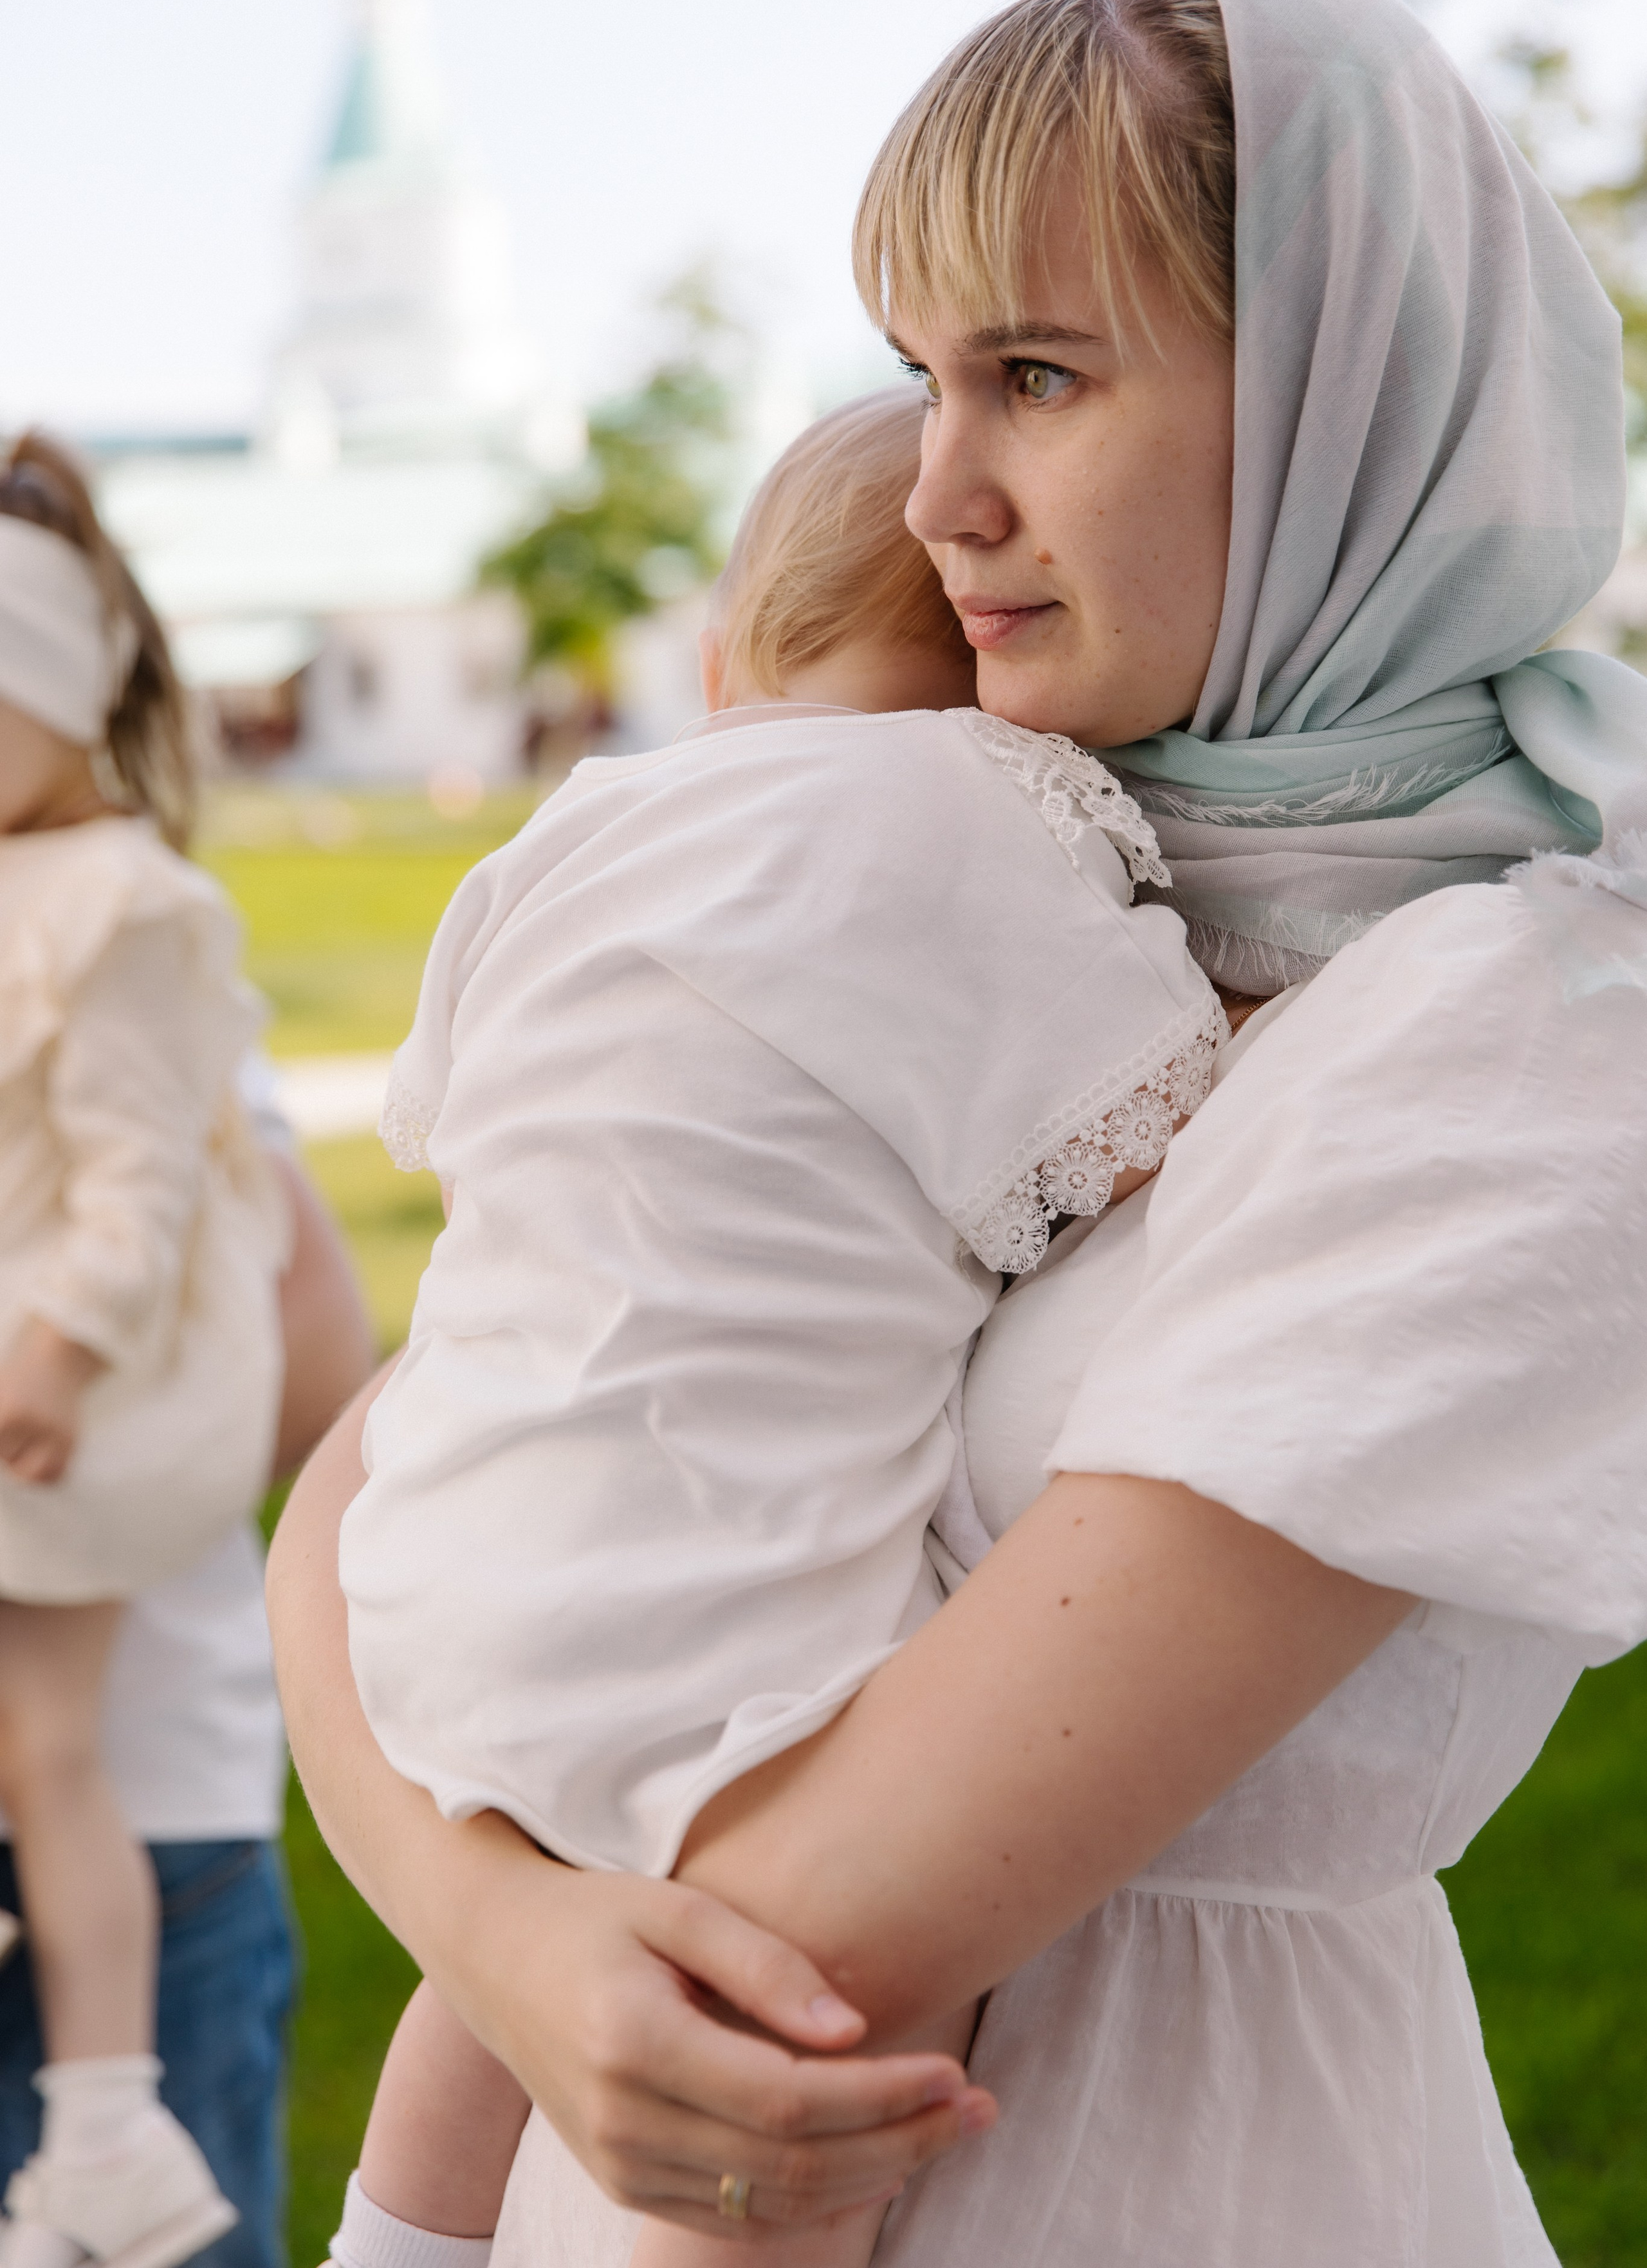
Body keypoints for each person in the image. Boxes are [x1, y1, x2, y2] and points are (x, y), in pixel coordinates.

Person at [267, 0, 1647, 2266]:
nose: (933, 494)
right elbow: (385, 1467)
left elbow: (817, 1943)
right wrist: (509, 1941)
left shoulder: (1530, 1021)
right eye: (919, 379)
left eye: (1038, 375)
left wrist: (499, 1920)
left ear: (1348, 403)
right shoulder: (956, 864)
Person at [322, 387, 1222, 2268]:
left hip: (437, 1554)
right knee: (825, 2010)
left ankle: (398, 2242)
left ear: (723, 663)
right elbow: (1150, 1134)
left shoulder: (581, 826)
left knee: (504, 1967)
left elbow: (456, 1124)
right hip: (707, 1608)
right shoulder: (986, 815)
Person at [0, 436, 293, 2268]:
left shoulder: (127, 907)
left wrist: (62, 1350)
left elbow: (144, 1183)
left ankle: (107, 2128)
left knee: (50, 1751)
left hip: (60, 1414)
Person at [0, 1071, 376, 2268]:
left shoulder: (113, 1030)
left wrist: (70, 1471)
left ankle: (107, 2145)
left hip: (146, 1815)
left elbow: (320, 1357)